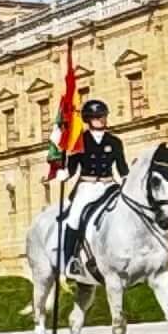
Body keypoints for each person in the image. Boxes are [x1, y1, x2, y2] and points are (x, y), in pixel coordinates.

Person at [43, 94, 127, 280]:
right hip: (87, 187)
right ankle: (71, 260)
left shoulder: (114, 142)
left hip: (109, 184)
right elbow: (73, 167)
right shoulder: (80, 140)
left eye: (104, 116)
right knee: (73, 218)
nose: (102, 120)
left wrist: (127, 179)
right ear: (89, 120)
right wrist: (65, 173)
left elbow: (122, 167)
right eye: (98, 117)